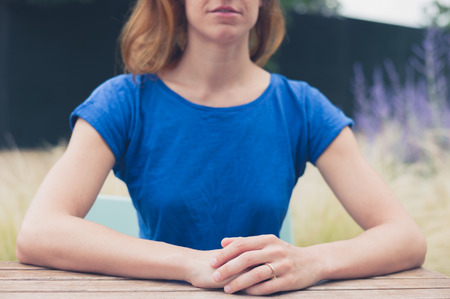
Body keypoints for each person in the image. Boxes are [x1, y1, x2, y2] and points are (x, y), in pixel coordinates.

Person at [16, 0, 426, 295]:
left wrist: (313, 261)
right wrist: (191, 263)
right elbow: (39, 232)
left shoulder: (302, 106)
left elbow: (404, 237)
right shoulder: (124, 100)